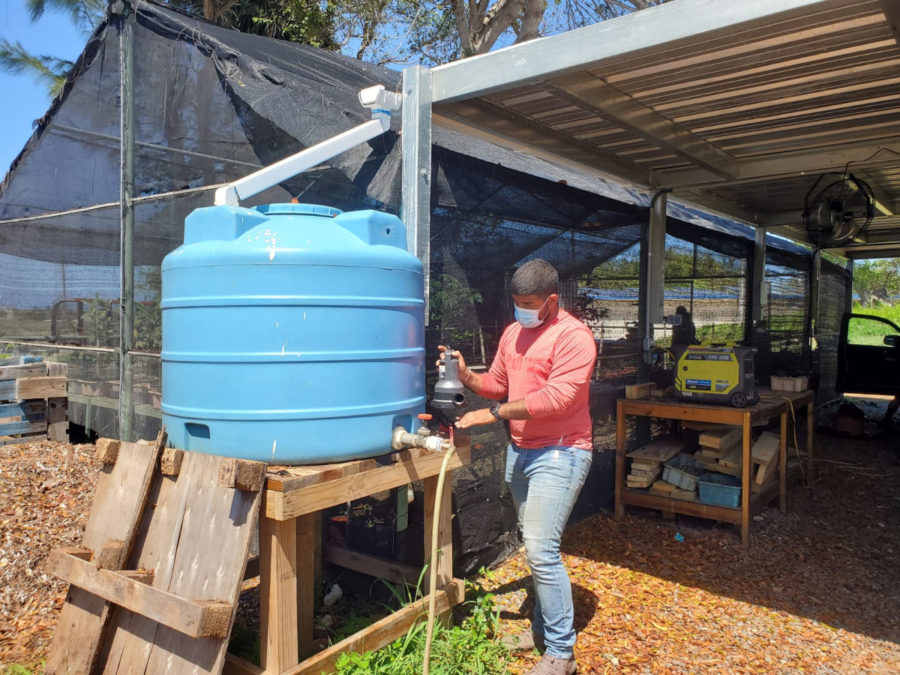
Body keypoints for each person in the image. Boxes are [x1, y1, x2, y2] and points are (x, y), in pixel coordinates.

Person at [442, 259, 597, 675]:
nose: (521, 311)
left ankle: (561, 655)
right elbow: (497, 382)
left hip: (562, 451)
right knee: (533, 543)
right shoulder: (513, 332)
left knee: (542, 551)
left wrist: (492, 414)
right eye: (516, 303)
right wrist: (466, 377)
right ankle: (543, 634)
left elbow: (556, 399)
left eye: (528, 304)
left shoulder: (574, 337)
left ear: (551, 300)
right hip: (521, 450)